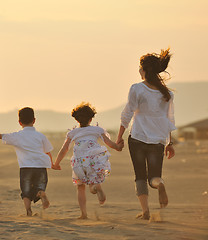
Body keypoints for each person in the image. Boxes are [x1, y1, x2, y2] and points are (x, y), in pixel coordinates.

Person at [116, 48, 176, 220]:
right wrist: (169, 143)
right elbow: (169, 120)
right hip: (158, 140)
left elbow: (127, 113)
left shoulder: (137, 89)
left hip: (137, 138)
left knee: (140, 176)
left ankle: (146, 211)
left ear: (143, 70)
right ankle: (160, 184)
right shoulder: (167, 94)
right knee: (154, 177)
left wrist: (119, 136)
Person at [52, 102, 123, 219]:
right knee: (93, 182)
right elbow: (108, 143)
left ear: (77, 119)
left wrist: (56, 163)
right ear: (91, 119)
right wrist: (117, 147)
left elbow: (64, 149)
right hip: (93, 160)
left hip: (79, 162)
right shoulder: (97, 130)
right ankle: (96, 187)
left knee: (80, 187)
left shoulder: (73, 133)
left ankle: (83, 214)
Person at [0, 107, 53, 216]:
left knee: (26, 191)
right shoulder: (41, 136)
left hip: (26, 167)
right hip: (41, 166)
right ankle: (41, 192)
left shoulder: (17, 136)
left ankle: (28, 211)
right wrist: (53, 164)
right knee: (40, 186)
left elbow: (1, 136)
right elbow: (48, 152)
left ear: (19, 122)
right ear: (34, 120)